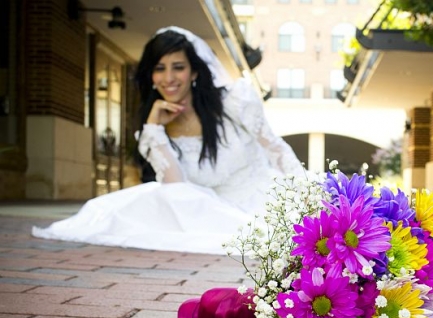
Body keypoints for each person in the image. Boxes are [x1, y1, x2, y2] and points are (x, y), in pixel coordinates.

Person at [32, 26, 304, 255]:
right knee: (120, 210)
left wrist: (303, 195)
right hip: (206, 213)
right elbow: (177, 192)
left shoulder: (235, 101)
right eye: (159, 68)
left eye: (178, 67)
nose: (169, 78)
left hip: (261, 198)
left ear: (194, 72)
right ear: (151, 76)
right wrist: (155, 129)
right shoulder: (153, 127)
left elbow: (277, 150)